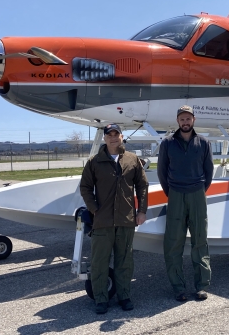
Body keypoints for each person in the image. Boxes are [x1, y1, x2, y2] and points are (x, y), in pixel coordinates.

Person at [80, 123, 148, 314]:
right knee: (99, 262)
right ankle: (101, 299)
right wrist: (94, 209)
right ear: (104, 138)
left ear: (121, 136)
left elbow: (142, 186)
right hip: (102, 222)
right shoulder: (94, 162)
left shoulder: (132, 160)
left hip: (126, 220)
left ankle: (124, 296)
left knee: (124, 261)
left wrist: (142, 211)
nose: (112, 137)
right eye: (109, 134)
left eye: (116, 134)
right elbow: (85, 187)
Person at [157, 105, 214, 301]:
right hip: (175, 194)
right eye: (182, 119)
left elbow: (209, 172)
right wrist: (171, 192)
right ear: (177, 121)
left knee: (200, 240)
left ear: (193, 120)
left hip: (197, 193)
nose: (185, 122)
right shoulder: (167, 143)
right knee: (173, 242)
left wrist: (199, 190)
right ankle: (178, 287)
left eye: (188, 118)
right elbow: (162, 172)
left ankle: (201, 286)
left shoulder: (204, 143)